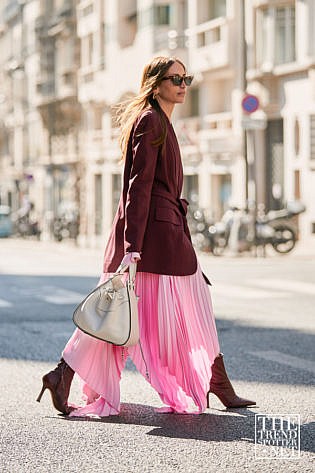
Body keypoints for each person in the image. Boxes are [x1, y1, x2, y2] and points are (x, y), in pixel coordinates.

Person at [37, 56, 255, 416]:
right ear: (156, 85)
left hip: (163, 234)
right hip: (153, 239)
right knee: (128, 313)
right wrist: (131, 247)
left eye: (187, 78)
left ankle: (62, 375)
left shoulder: (160, 120)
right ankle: (218, 386)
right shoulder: (151, 121)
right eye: (175, 79)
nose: (183, 84)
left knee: (133, 312)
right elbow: (137, 189)